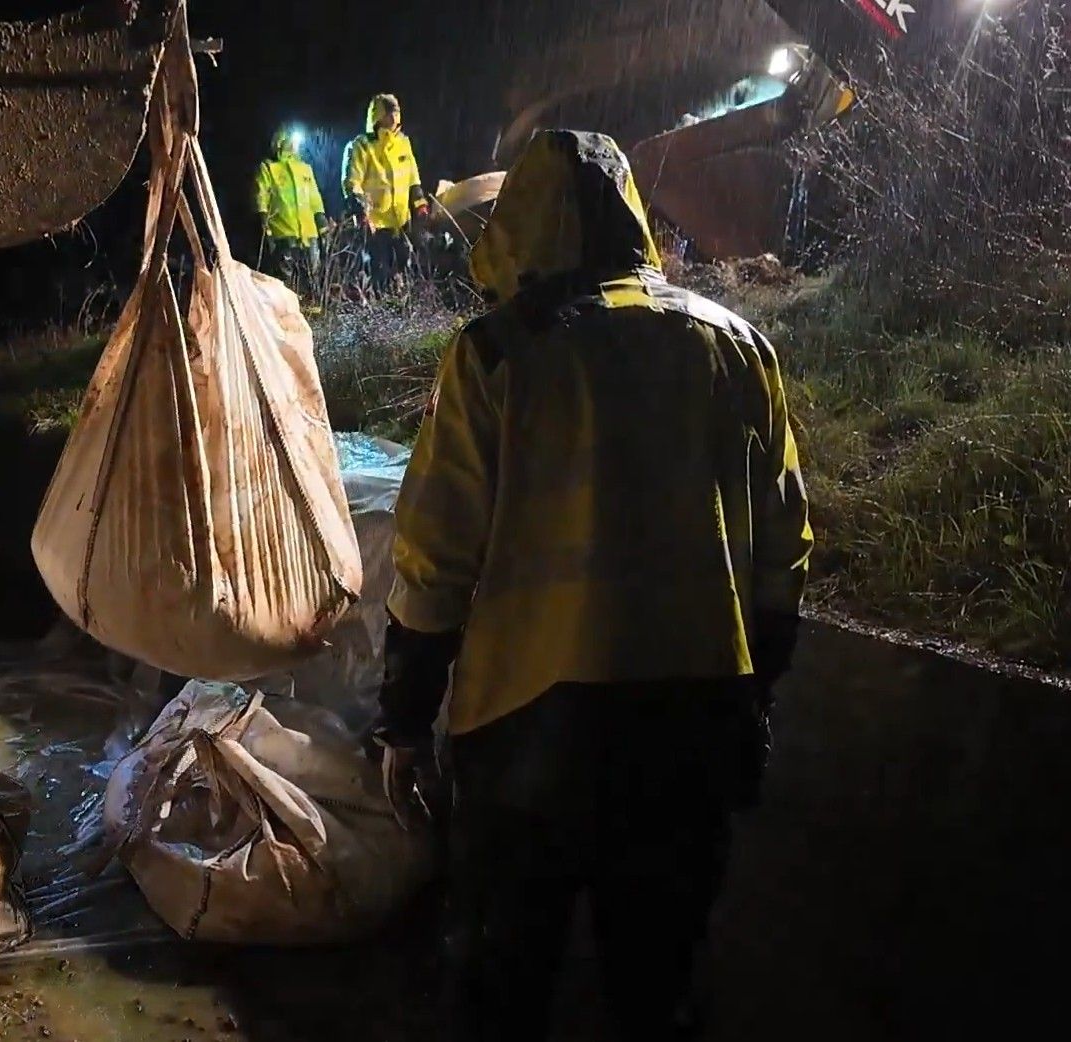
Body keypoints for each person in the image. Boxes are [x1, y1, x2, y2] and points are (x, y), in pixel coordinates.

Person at [369, 130, 812, 1041]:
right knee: (657, 987)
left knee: (504, 986)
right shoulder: (740, 349)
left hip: (534, 738)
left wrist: (406, 720)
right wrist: (754, 692)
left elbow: (433, 560)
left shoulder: (498, 355)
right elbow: (783, 553)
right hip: (697, 729)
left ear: (524, 226)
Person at [341, 93, 429, 293]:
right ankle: (380, 313)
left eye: (396, 112)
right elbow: (352, 182)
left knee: (404, 267)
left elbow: (413, 179)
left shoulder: (403, 143)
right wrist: (361, 212)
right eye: (389, 112)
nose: (394, 117)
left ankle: (398, 308)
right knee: (379, 270)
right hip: (375, 224)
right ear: (377, 116)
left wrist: (420, 204)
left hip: (400, 222)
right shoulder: (361, 146)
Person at [254, 126, 327, 296]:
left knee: (312, 271)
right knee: (285, 276)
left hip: (308, 232)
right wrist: (263, 217)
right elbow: (261, 194)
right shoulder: (269, 167)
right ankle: (286, 310)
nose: (294, 144)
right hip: (283, 230)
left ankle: (312, 308)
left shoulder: (305, 168)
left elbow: (314, 197)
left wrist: (320, 218)